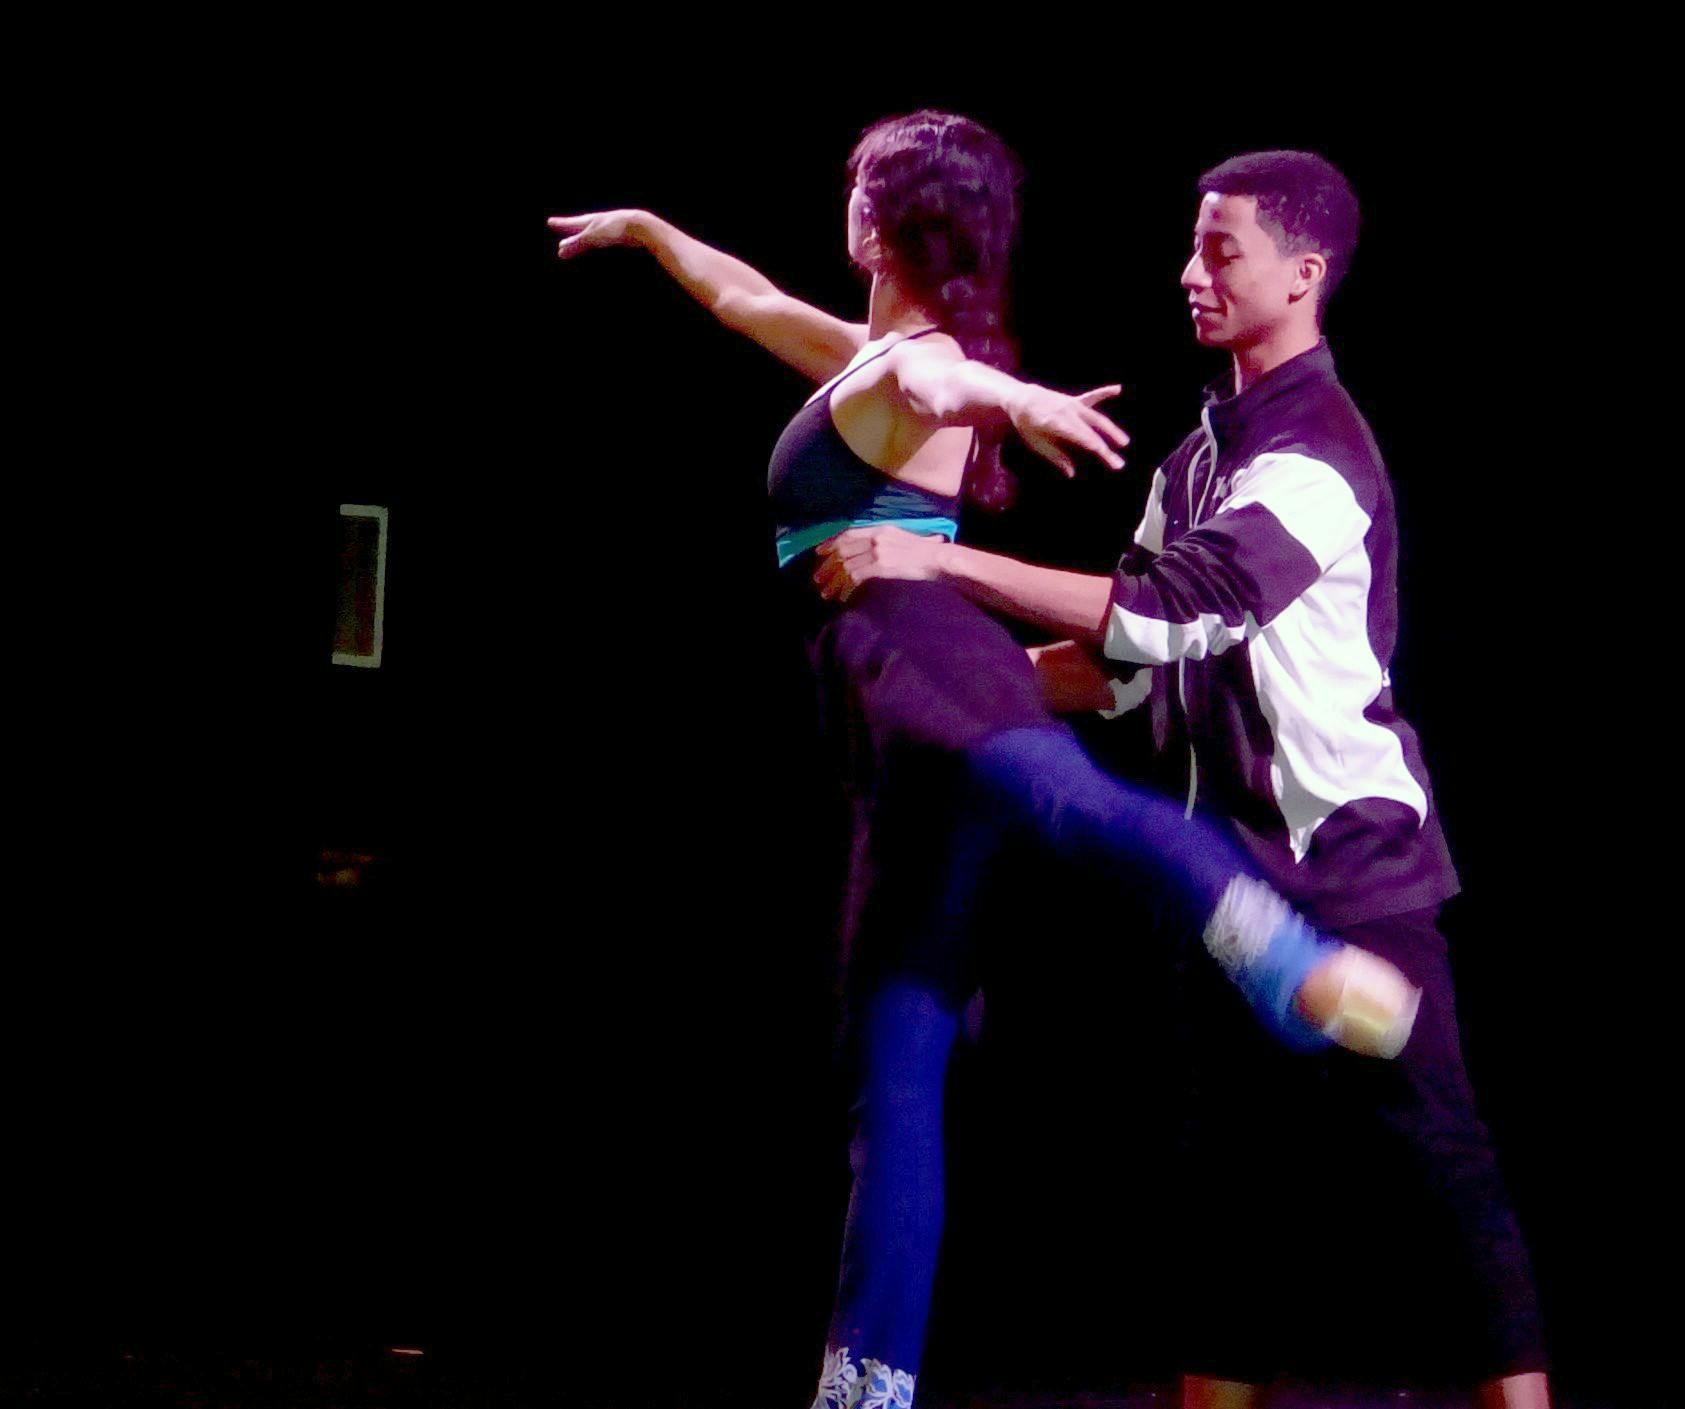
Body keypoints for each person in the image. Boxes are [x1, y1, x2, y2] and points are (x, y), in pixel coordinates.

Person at [550, 118, 1419, 1409]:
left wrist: (1021, 400)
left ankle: (1287, 964)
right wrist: (642, 233)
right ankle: (865, 1389)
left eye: (854, 183)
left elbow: (957, 390)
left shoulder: (928, 365)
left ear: (888, 216)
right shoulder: (868, 354)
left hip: (924, 657)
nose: (840, 202)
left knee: (1049, 791)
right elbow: (748, 301)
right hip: (882, 708)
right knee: (891, 1056)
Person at [817, 148, 1550, 1407]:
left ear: (1302, 275)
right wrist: (938, 681)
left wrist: (935, 570)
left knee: (1442, 1182)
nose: (1189, 274)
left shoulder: (1316, 455)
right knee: (1221, 1199)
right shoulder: (1197, 457)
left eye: (1222, 252)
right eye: (1192, 246)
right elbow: (1115, 669)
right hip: (1227, 878)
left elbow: (1168, 615)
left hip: (1354, 866)